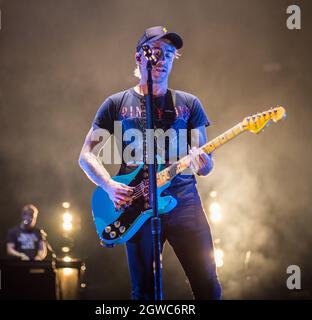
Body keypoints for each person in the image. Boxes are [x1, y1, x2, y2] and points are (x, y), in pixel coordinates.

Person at [79, 26, 221, 299]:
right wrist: (108, 185)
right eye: (156, 52)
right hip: (136, 205)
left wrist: (203, 164)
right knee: (144, 293)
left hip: (184, 203)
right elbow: (85, 154)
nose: (164, 59)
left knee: (208, 286)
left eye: (169, 54)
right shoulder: (116, 103)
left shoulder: (189, 104)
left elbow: (206, 164)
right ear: (139, 58)